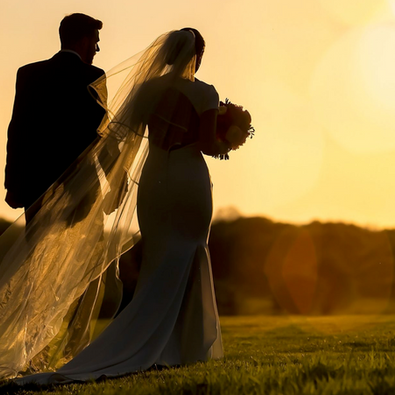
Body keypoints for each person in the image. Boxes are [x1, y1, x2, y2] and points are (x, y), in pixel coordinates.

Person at [0, 28, 230, 385]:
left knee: (157, 259)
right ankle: (183, 344)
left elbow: (116, 138)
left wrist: (117, 180)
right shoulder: (204, 92)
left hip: (154, 182)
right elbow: (206, 144)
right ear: (196, 55)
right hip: (187, 181)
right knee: (191, 251)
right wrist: (231, 136)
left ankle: (152, 340)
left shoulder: (147, 90)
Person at [5, 13, 105, 224]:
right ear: (83, 41)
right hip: (79, 184)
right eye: (95, 43)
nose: (96, 50)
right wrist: (115, 178)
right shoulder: (93, 77)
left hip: (35, 183)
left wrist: (12, 185)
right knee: (78, 254)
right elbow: (101, 132)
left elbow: (17, 132)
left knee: (35, 253)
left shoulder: (29, 74)